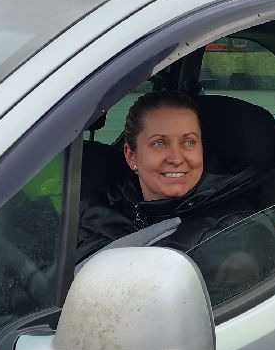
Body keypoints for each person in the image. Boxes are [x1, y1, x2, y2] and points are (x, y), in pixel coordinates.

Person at [76, 90, 262, 274]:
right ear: (131, 155)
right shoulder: (101, 201)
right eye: (159, 143)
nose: (176, 158)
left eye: (189, 142)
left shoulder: (229, 234)